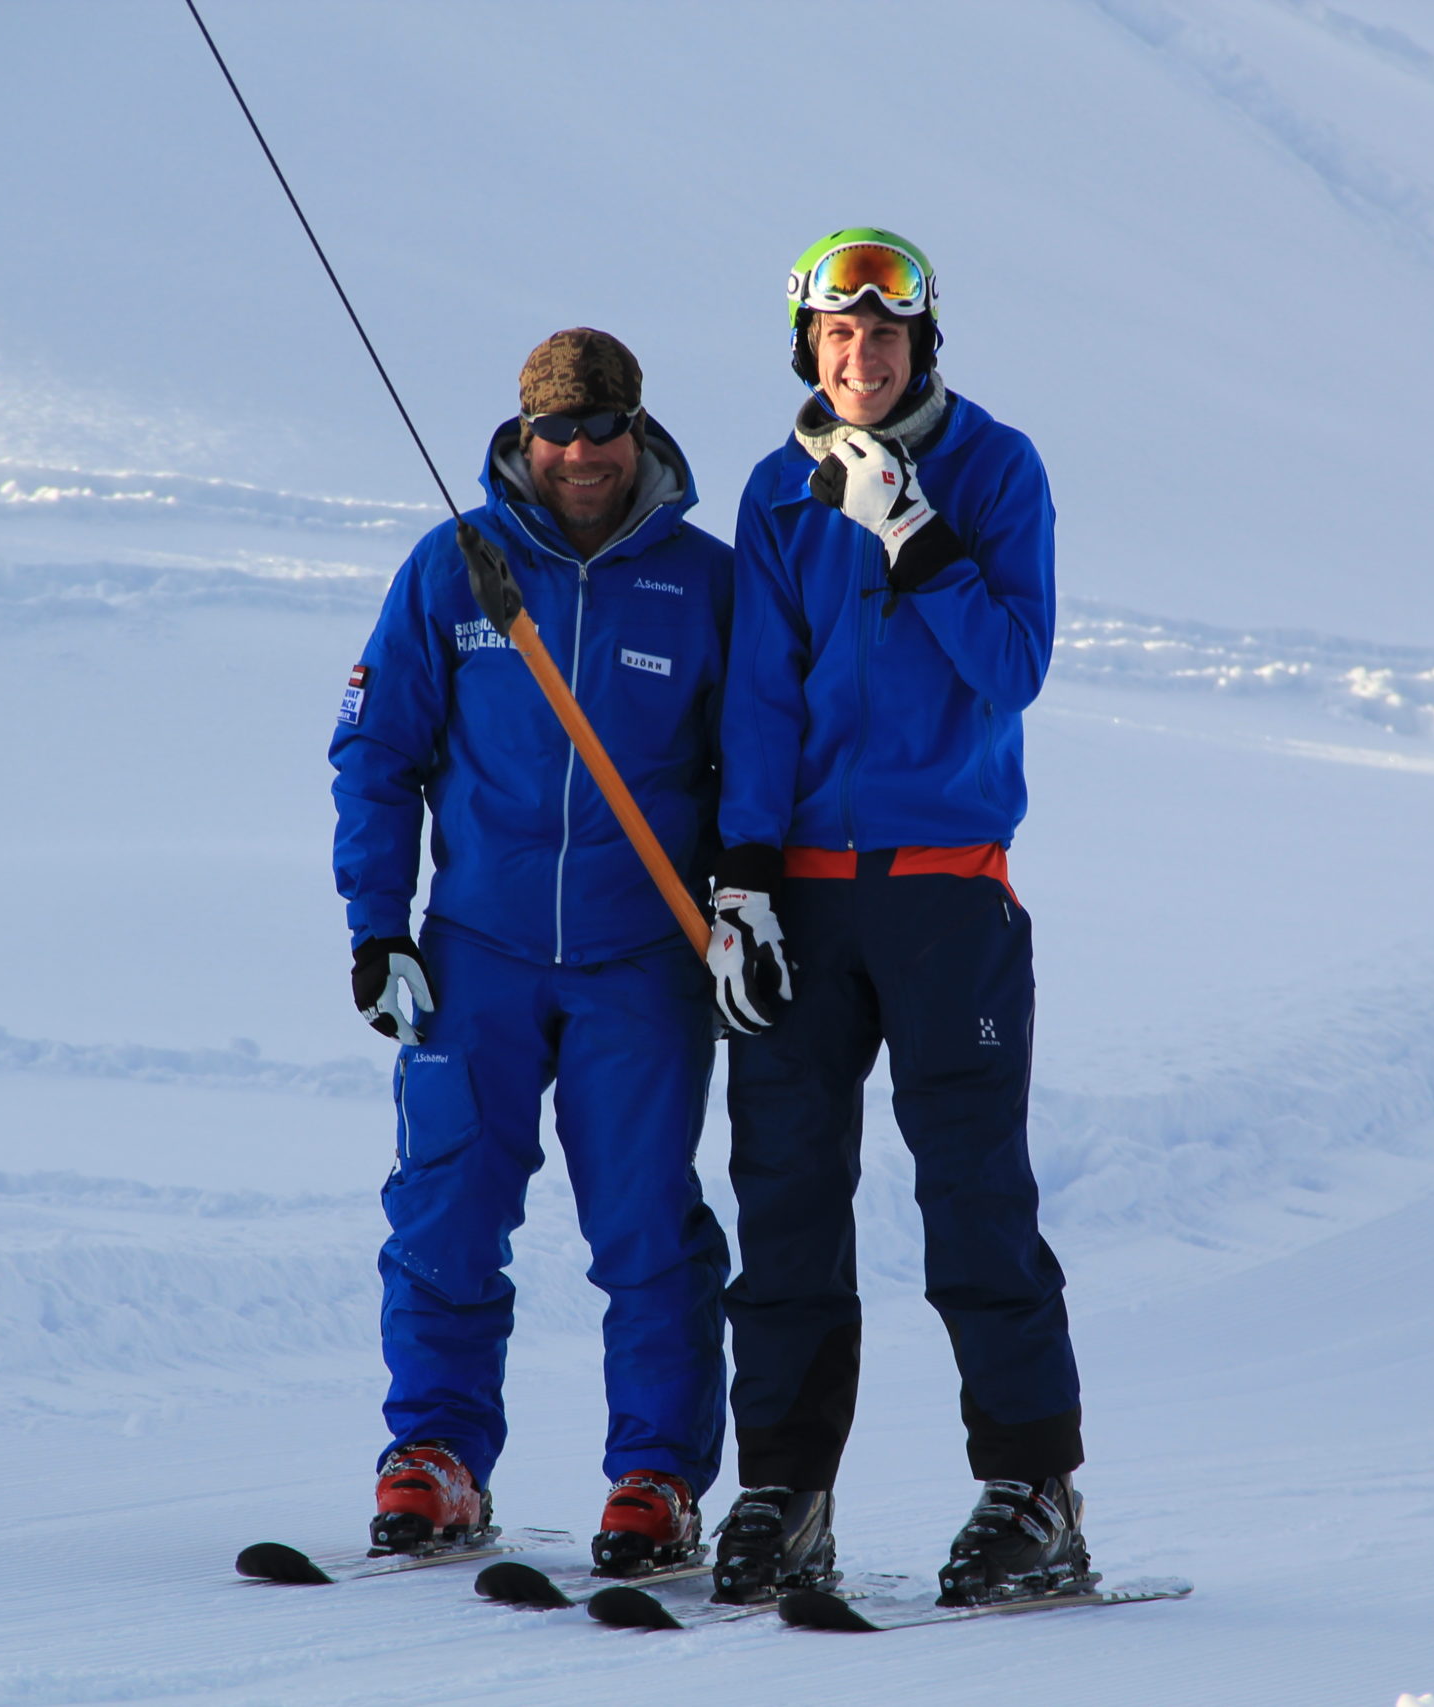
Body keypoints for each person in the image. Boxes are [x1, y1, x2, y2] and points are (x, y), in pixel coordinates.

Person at [700, 229, 1085, 1607]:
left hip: (947, 891)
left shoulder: (998, 469)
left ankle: (1032, 1491)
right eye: (835, 336)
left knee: (973, 1196)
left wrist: (914, 533)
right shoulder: (775, 490)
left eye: (883, 336)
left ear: (924, 345)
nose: (858, 358)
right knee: (786, 1195)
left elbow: (1014, 665)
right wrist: (741, 875)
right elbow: (759, 692)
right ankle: (783, 1491)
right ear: (807, 345)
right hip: (804, 893)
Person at [330, 328, 732, 1575]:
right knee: (446, 1213)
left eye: (599, 430)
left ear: (637, 432)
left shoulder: (706, 583)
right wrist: (377, 926)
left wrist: (750, 910)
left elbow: (757, 777)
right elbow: (375, 754)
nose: (576, 455)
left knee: (645, 1230)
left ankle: (656, 1477)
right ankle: (437, 1459)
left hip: (641, 964)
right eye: (552, 433)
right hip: (477, 953)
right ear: (520, 436)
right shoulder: (454, 568)